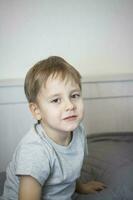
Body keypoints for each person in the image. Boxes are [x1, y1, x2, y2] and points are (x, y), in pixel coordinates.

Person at [1, 56, 105, 200]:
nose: (70, 105)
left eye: (74, 95)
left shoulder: (78, 130)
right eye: (56, 100)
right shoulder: (35, 151)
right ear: (36, 110)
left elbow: (70, 169)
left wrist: (81, 187)